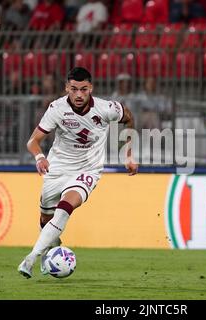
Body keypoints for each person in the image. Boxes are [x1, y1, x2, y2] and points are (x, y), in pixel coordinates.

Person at [18, 67, 138, 278]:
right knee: (46, 218)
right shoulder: (56, 108)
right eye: (74, 89)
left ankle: (31, 258)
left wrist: (128, 153)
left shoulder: (106, 108)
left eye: (83, 89)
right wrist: (40, 157)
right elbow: (33, 141)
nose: (79, 95)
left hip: (88, 170)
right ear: (67, 88)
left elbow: (128, 118)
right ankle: (50, 251)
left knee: (64, 208)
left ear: (90, 88)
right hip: (57, 169)